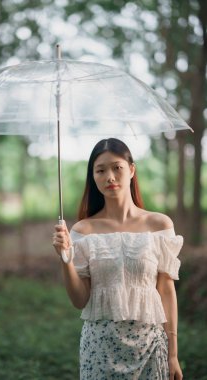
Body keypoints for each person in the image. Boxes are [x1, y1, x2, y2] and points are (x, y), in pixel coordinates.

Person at [52, 138, 183, 380]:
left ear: (131, 170)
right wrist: (66, 259)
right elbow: (80, 300)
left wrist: (173, 354)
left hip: (150, 347)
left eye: (117, 168)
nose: (109, 177)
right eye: (100, 170)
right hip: (99, 348)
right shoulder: (83, 230)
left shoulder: (160, 225)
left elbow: (166, 290)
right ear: (93, 177)